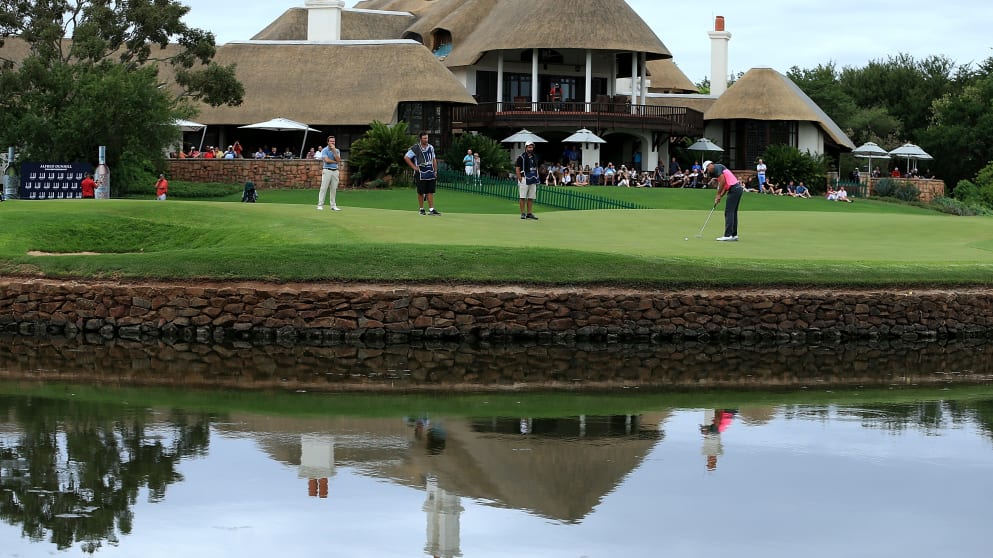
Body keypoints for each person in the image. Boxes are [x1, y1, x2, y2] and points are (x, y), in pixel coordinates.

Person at [703, 160, 742, 242]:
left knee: (729, 212)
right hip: (737, 189)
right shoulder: (719, 168)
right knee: (733, 212)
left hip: (734, 189)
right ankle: (734, 235)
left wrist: (717, 194)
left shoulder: (717, 168)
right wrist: (720, 196)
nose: (708, 172)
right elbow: (725, 186)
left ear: (709, 165)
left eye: (707, 169)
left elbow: (723, 181)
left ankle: (728, 235)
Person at [404, 131, 441, 215]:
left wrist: (435, 170)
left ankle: (431, 209)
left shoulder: (431, 147)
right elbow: (406, 157)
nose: (426, 140)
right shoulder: (416, 148)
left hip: (430, 171)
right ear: (420, 139)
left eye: (427, 138)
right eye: (424, 138)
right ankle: (421, 209)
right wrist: (414, 167)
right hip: (420, 172)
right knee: (421, 191)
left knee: (430, 191)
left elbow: (434, 159)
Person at [515, 140, 540, 220]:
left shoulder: (534, 157)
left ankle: (529, 213)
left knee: (531, 197)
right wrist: (520, 178)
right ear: (526, 148)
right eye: (529, 147)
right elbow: (517, 169)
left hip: (532, 178)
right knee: (522, 197)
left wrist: (537, 177)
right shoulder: (521, 157)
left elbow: (536, 168)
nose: (530, 148)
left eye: (531, 147)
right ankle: (523, 213)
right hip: (524, 178)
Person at [317, 135, 342, 211]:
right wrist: (335, 161)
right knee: (323, 188)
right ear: (328, 142)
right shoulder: (324, 150)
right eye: (331, 141)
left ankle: (333, 206)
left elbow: (338, 159)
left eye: (333, 141)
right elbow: (326, 160)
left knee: (334, 189)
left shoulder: (337, 150)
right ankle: (320, 205)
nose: (332, 142)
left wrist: (334, 150)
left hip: (335, 171)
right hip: (327, 170)